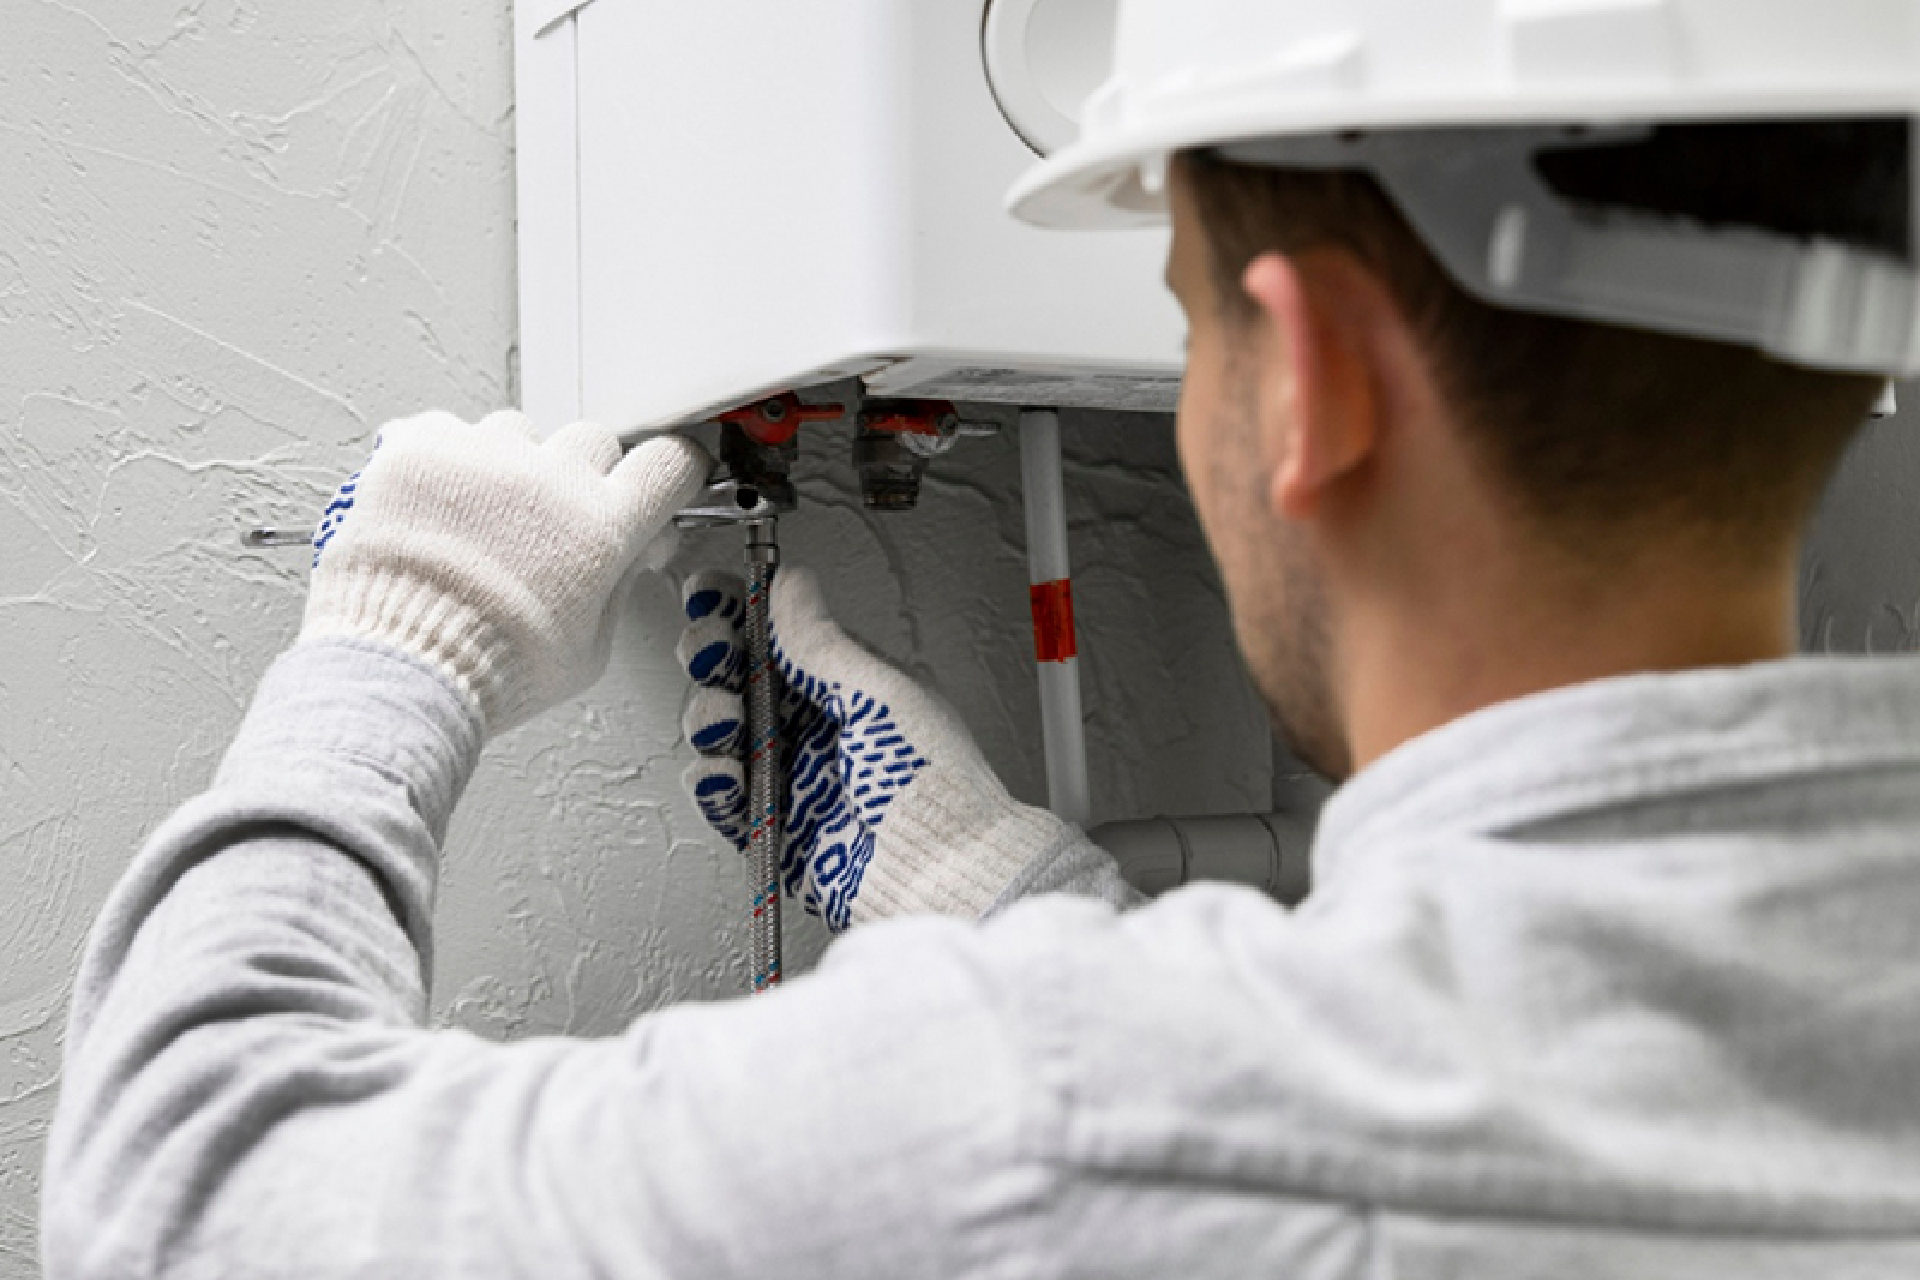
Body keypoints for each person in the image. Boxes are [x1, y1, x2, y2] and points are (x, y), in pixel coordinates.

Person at [42, 2, 1920, 1276]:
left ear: (1315, 376)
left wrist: (405, 637)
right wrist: (1013, 904)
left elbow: (189, 1193)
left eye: (1190, 319)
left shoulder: (1042, 1108)